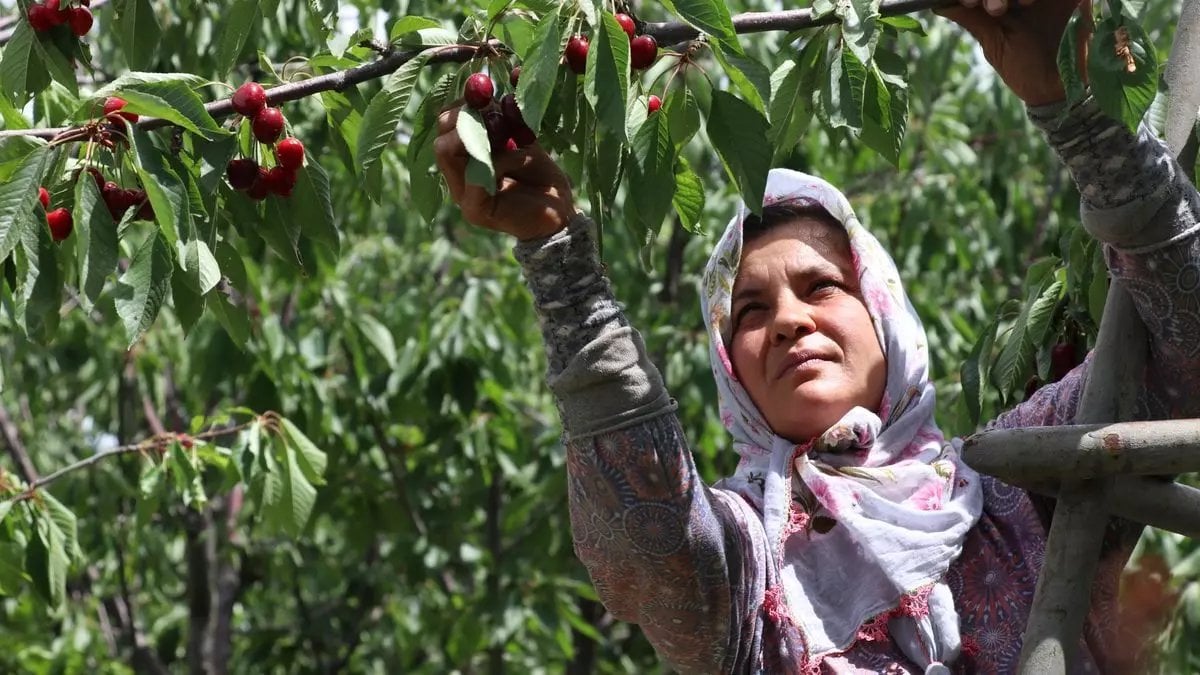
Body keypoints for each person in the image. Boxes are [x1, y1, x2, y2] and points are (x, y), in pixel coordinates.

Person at [434, 0, 1200, 670]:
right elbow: (647, 536)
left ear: (885, 317)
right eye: (751, 312)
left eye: (822, 287)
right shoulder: (746, 567)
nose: (790, 321)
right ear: (730, 369)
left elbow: (1186, 342)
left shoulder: (1012, 486)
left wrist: (1078, 112)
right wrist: (560, 262)